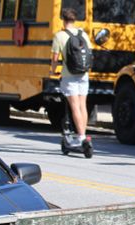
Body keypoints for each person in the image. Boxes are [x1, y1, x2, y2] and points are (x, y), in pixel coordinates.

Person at [50, 8, 90, 148]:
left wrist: (52, 71)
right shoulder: (83, 34)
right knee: (82, 105)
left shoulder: (59, 36)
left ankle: (81, 137)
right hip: (84, 74)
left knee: (74, 107)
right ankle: (84, 135)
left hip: (69, 75)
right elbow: (89, 54)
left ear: (63, 19)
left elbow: (55, 58)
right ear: (75, 20)